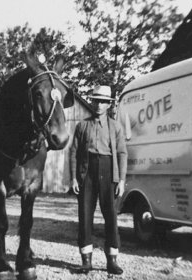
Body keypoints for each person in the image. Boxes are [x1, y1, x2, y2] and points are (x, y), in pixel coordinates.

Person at [70, 85, 128, 275]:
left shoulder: (115, 126)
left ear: (109, 105)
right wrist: (74, 178)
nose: (98, 105)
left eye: (103, 102)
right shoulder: (82, 125)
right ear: (92, 102)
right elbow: (73, 152)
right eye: (96, 100)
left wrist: (120, 180)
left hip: (108, 171)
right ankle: (86, 260)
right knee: (85, 215)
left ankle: (112, 260)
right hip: (87, 172)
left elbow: (122, 153)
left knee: (110, 215)